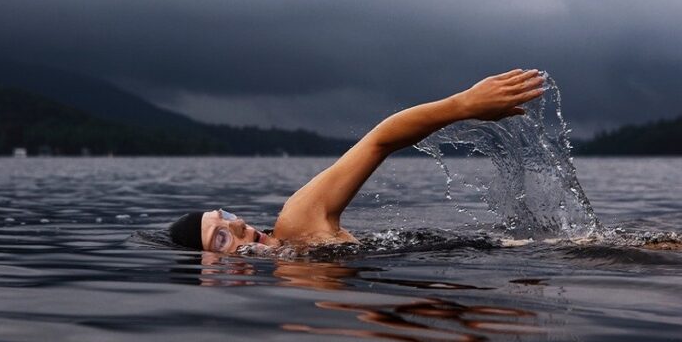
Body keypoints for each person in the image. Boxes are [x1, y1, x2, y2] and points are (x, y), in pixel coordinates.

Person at [169, 69, 546, 253]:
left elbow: (379, 140)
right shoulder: (293, 284)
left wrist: (464, 105)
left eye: (228, 219)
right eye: (219, 237)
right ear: (208, 270)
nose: (237, 229)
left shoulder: (297, 224)